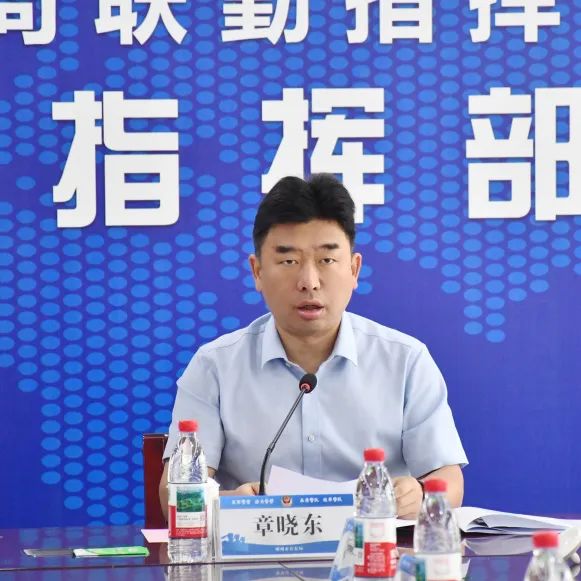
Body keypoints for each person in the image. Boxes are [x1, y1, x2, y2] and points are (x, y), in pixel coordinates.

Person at [159, 174, 467, 520]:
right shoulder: (214, 367)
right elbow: (173, 492)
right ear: (257, 272)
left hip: (374, 548)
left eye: (327, 260)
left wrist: (419, 494)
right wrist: (230, 503)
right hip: (254, 550)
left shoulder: (406, 361)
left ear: (354, 269)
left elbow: (448, 478)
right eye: (288, 261)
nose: (309, 282)